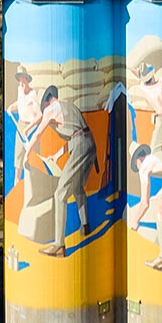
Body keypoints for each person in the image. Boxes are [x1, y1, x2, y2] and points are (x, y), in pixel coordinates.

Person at [31, 86, 99, 258]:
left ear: (46, 101)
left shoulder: (50, 110)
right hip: (89, 144)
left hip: (80, 147)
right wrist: (57, 154)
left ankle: (58, 245)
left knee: (60, 193)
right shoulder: (70, 107)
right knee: (77, 187)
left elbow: (38, 134)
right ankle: (85, 225)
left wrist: (27, 153)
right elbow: (76, 135)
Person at [8, 65, 44, 180]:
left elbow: (39, 115)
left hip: (31, 129)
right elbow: (19, 104)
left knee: (33, 160)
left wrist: (28, 128)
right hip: (20, 127)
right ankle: (16, 186)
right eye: (19, 79)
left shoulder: (33, 95)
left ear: (27, 80)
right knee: (18, 163)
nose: (21, 82)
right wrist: (10, 108)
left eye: (23, 79)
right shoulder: (20, 90)